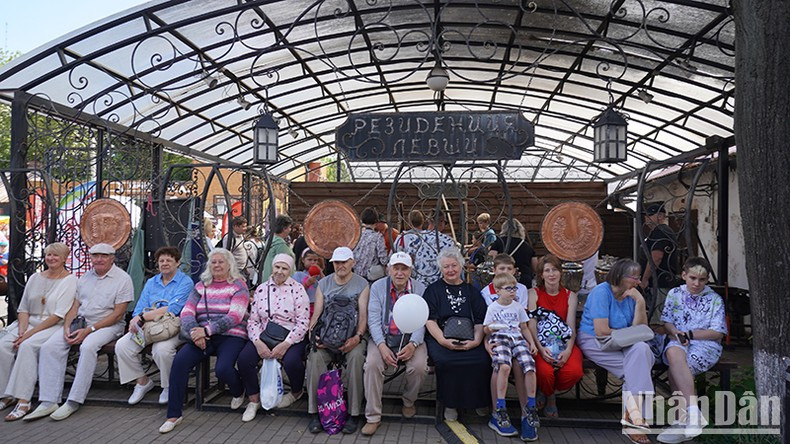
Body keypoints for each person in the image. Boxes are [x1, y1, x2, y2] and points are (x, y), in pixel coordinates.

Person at [25, 243, 133, 421]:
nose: (99, 259)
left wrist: (89, 330)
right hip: (81, 323)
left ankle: (74, 400)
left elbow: (118, 314)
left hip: (108, 326)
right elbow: (75, 306)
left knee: (88, 346)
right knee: (50, 346)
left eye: (104, 256)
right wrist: (68, 327)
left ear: (112, 258)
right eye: (95, 256)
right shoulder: (84, 277)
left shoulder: (123, 279)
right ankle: (49, 400)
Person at [158, 248, 250, 433]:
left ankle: (239, 390)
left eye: (220, 262)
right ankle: (174, 415)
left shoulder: (239, 285)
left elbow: (235, 316)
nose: (216, 265)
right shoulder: (201, 285)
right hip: (201, 335)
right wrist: (194, 331)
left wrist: (206, 330)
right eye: (213, 262)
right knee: (180, 362)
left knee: (223, 369)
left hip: (231, 334)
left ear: (229, 264)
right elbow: (187, 311)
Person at [577, 258, 653, 444]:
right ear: (619, 276)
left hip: (623, 343)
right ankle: (636, 420)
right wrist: (630, 333)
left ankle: (633, 419)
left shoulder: (633, 295)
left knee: (642, 349)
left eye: (638, 277)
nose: (638, 282)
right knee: (637, 370)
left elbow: (640, 330)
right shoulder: (601, 292)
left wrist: (640, 301)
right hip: (596, 342)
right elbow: (601, 331)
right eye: (634, 278)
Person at [0, 242, 77, 421]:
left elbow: (58, 315)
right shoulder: (35, 277)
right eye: (48, 254)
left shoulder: (70, 280)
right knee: (3, 345)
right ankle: (5, 394)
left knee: (27, 346)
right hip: (28, 322)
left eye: (56, 255)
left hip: (50, 325)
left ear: (64, 258)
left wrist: (26, 336)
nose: (51, 258)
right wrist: (21, 330)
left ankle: (24, 400)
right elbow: (24, 307)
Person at [656, 257, 726, 444]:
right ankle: (693, 412)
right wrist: (675, 332)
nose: (696, 283)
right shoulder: (674, 293)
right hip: (678, 340)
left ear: (707, 279)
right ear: (684, 275)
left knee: (676, 366)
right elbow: (667, 321)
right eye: (693, 278)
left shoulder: (714, 299)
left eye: (702, 279)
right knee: (673, 354)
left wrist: (691, 334)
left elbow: (718, 332)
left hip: (705, 345)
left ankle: (682, 420)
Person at [115, 246, 193, 405]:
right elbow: (141, 305)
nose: (164, 263)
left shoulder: (185, 282)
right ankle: (142, 382)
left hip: (172, 327)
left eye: (169, 260)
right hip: (149, 326)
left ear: (177, 263)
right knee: (122, 346)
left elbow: (174, 308)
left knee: (162, 350)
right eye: (161, 261)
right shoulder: (152, 282)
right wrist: (135, 319)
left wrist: (143, 316)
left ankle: (169, 386)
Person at [236, 253, 310, 422]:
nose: (280, 271)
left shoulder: (298, 289)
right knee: (244, 359)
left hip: (291, 335)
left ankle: (296, 391)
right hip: (264, 334)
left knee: (292, 361)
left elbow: (303, 322)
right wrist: (257, 342)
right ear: (272, 267)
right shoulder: (262, 289)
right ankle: (253, 400)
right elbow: (253, 320)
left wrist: (286, 344)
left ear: (290, 270)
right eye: (277, 267)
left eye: (284, 268)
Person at [361, 252, 428, 436]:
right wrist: (381, 346)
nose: (399, 273)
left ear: (410, 271)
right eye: (396, 268)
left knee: (419, 367)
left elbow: (422, 321)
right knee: (372, 365)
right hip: (383, 337)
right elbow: (373, 321)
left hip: (410, 338)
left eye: (404, 268)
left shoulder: (420, 288)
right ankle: (373, 416)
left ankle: (408, 401)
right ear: (388, 269)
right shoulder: (377, 287)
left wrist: (413, 344)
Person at [306, 246, 369, 435]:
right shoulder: (323, 284)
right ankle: (315, 412)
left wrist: (357, 337)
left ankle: (354, 412)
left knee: (356, 359)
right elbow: (317, 314)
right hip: (327, 336)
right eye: (337, 262)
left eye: (344, 262)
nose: (340, 265)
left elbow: (363, 315)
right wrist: (315, 336)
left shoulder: (362, 284)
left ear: (352, 263)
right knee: (315, 359)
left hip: (353, 337)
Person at [423, 247, 490, 421]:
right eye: (446, 267)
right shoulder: (433, 290)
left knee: (482, 359)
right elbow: (430, 320)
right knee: (446, 361)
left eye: (454, 265)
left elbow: (480, 320)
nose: (450, 270)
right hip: (441, 337)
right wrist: (443, 341)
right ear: (441, 269)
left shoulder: (472, 292)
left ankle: (479, 401)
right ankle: (450, 404)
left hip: (470, 337)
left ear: (461, 266)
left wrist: (476, 341)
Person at [527, 254, 584, 418]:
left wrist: (567, 351)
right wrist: (540, 348)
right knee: (544, 372)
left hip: (564, 342)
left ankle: (545, 390)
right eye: (547, 271)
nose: (551, 274)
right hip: (540, 343)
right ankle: (550, 398)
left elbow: (571, 327)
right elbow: (532, 326)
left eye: (554, 270)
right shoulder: (534, 294)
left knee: (574, 372)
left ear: (560, 272)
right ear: (541, 275)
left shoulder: (570, 296)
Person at [484, 272, 539, 439]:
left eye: (514, 288)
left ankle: (531, 405)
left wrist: (532, 343)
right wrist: (491, 328)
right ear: (498, 290)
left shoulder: (517, 307)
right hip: (501, 337)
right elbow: (486, 328)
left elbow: (523, 327)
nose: (513, 292)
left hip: (517, 338)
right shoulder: (493, 307)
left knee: (529, 366)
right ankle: (500, 406)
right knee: (504, 366)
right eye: (509, 289)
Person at [480, 254, 530, 429]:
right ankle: (497, 412)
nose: (506, 272)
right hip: (496, 339)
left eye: (509, 269)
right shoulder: (486, 292)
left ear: (515, 271)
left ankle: (526, 413)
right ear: (494, 271)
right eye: (502, 269)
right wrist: (486, 344)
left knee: (520, 365)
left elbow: (522, 321)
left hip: (516, 338)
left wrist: (528, 342)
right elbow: (485, 323)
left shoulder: (520, 290)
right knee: (501, 364)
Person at [639, 203, 679, 327]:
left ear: (661, 216)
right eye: (646, 215)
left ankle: (659, 344)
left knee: (658, 319)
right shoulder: (662, 231)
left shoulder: (660, 231)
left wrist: (645, 279)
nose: (647, 218)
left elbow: (656, 258)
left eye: (650, 215)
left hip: (660, 282)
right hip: (662, 281)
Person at [488, 219, 537, 289]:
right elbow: (535, 266)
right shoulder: (526, 245)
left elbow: (492, 259)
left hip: (503, 280)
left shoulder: (499, 242)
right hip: (524, 279)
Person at [352, 207, 389, 283]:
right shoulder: (378, 237)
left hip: (356, 276)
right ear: (376, 222)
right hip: (372, 277)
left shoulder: (356, 236)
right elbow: (384, 260)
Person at [259, 215, 294, 283]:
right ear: (284, 228)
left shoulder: (270, 240)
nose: (290, 230)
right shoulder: (280, 245)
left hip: (267, 277)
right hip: (278, 280)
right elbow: (285, 264)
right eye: (289, 227)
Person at [293, 248, 325, 317]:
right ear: (303, 260)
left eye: (315, 260)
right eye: (310, 260)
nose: (313, 262)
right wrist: (307, 284)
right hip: (304, 305)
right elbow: (296, 293)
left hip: (317, 305)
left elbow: (325, 284)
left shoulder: (318, 275)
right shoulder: (298, 275)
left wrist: (320, 272)